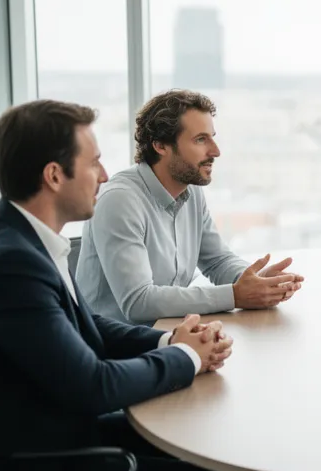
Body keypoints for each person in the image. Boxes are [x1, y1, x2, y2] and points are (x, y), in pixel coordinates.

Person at [0, 100, 255, 471]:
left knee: (213, 448)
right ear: (54, 175)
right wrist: (185, 358)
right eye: (93, 164)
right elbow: (93, 387)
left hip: (56, 428)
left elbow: (88, 326)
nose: (104, 177)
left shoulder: (19, 239)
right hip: (40, 470)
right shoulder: (9, 266)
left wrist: (168, 340)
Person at [76, 89, 303, 326]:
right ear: (161, 146)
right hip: (116, 348)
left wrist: (255, 281)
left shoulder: (191, 190)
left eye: (212, 137)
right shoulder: (119, 201)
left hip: (169, 334)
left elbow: (217, 260)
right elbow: (138, 301)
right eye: (200, 139)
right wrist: (236, 295)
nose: (215, 151)